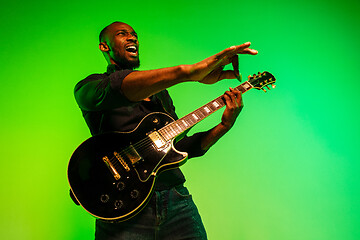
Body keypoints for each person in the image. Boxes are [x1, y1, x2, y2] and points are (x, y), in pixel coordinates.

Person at [73, 21, 258, 240]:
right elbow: (118, 86)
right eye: (123, 34)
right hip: (122, 208)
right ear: (105, 46)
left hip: (175, 200)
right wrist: (188, 72)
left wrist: (224, 125)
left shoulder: (160, 94)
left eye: (134, 34)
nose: (133, 38)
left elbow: (179, 147)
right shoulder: (91, 88)